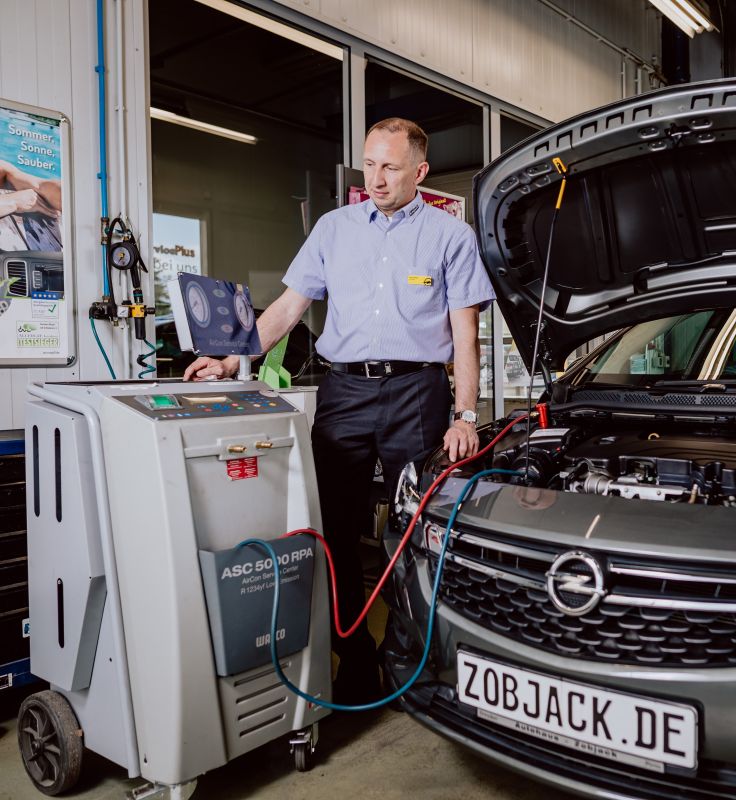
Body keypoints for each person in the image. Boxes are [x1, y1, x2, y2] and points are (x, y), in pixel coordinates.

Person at [184, 118, 495, 703]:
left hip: (418, 394)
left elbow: (465, 336)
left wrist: (465, 415)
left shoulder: (450, 237)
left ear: (420, 173)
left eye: (391, 167)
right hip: (345, 394)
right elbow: (287, 308)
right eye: (370, 164)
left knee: (419, 531)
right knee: (332, 530)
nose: (376, 178)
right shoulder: (333, 229)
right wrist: (230, 359)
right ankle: (352, 657)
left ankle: (408, 658)